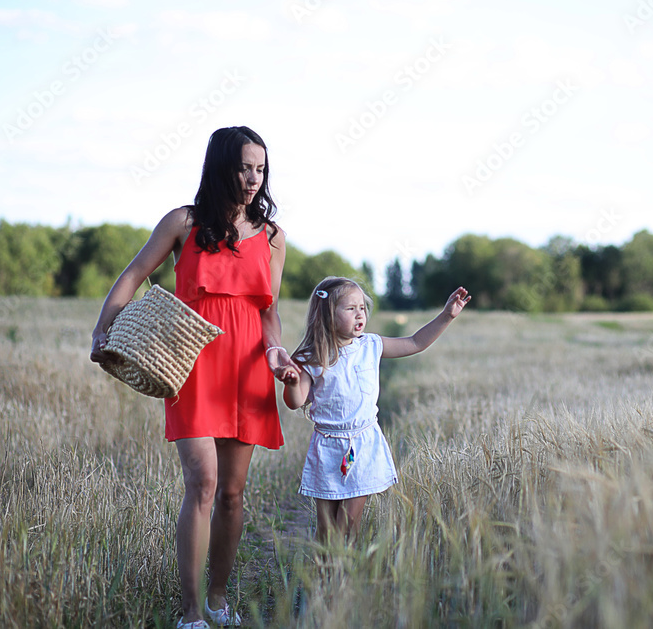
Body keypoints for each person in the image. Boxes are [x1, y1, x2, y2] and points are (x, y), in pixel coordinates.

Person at [89, 126, 298, 629]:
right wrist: (103, 326)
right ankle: (189, 612)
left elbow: (268, 313)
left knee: (232, 493)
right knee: (202, 482)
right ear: (222, 166)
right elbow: (135, 273)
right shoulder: (184, 222)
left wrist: (276, 354)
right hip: (193, 364)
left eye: (261, 170)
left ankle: (219, 601)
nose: (253, 179)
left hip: (248, 367)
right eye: (245, 167)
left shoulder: (272, 237)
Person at [278, 276, 470, 543]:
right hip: (327, 446)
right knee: (326, 530)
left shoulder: (370, 345)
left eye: (362, 307)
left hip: (364, 443)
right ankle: (324, 580)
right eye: (350, 308)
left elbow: (416, 342)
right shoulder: (312, 357)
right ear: (327, 314)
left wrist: (446, 316)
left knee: (348, 525)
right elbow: (296, 401)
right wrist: (292, 382)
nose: (360, 314)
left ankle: (345, 578)